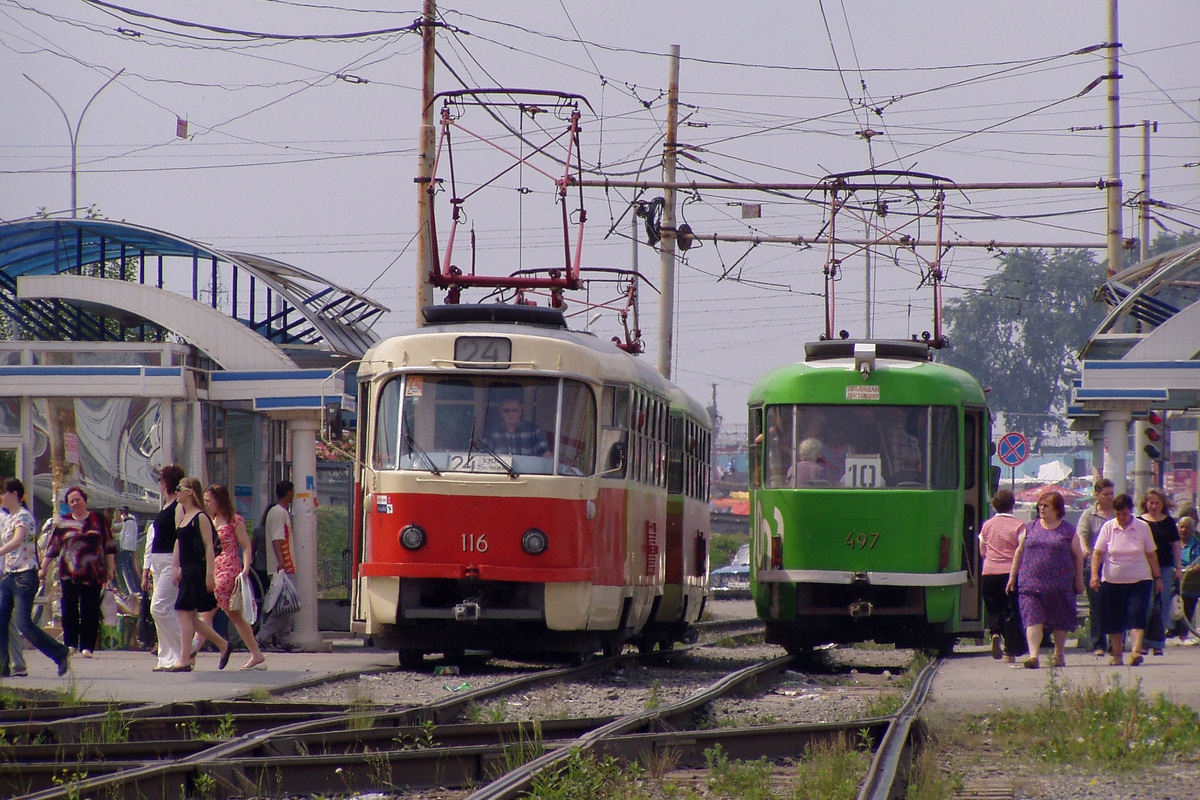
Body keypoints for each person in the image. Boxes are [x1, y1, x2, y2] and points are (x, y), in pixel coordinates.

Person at [1006, 489, 1084, 669]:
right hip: (1030, 583)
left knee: (1060, 619)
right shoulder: (1030, 527)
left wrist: (1078, 580)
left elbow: (1078, 555)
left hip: (1060, 584)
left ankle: (1059, 653)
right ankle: (1033, 656)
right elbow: (1019, 552)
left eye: (1046, 506)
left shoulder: (1067, 530)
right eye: (1040, 505)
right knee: (1032, 618)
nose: (1041, 509)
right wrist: (1012, 577)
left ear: (1057, 509)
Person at [0, 479, 70, 678]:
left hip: (25, 576)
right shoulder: (8, 518)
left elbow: (17, 540)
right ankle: (3, 666)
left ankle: (60, 652)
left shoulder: (23, 516)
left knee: (23, 623)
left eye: (4, 493)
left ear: (14, 494)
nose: (1, 497)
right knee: (1, 620)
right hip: (9, 575)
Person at [41, 486, 116, 657]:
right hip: (69, 572)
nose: (75, 503)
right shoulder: (63, 522)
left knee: (90, 609)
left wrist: (111, 568)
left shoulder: (99, 520)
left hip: (94, 572)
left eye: (78, 499)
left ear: (85, 500)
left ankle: (88, 646)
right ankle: (70, 643)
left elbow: (109, 546)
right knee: (69, 608)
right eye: (71, 501)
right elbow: (53, 547)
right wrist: (44, 567)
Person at [168, 477, 231, 672]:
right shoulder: (183, 515)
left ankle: (184, 658)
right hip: (186, 569)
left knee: (184, 613)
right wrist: (175, 566)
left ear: (190, 492)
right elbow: (179, 542)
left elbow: (209, 547)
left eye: (179, 488)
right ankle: (223, 644)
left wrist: (210, 574)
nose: (176, 491)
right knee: (191, 617)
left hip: (197, 570)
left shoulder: (200, 517)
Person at [201, 484, 266, 670]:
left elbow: (246, 546)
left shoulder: (234, 520)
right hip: (214, 566)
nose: (206, 504)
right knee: (233, 615)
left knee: (209, 610)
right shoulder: (210, 520)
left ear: (218, 501)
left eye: (209, 501)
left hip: (228, 566)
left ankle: (192, 653)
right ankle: (255, 653)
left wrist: (245, 568)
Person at [1091, 493, 1159, 666]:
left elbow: (1151, 554)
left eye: (1125, 514)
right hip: (1112, 581)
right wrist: (1094, 575)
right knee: (1114, 618)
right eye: (1118, 514)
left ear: (1131, 511)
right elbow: (1098, 553)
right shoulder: (1108, 527)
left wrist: (1158, 577)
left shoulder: (1142, 527)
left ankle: (1135, 651)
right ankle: (1117, 655)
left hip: (1140, 579)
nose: (1122, 518)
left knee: (1137, 614)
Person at [142, 464, 185, 672]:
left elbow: (180, 537)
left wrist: (178, 565)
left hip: (170, 560)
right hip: (159, 561)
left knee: (159, 607)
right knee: (165, 609)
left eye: (160, 480)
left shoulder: (178, 505)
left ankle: (187, 646)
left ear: (166, 483)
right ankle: (167, 657)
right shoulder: (167, 504)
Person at [979, 489, 1026, 663]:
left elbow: (982, 551)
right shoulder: (1019, 526)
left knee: (993, 608)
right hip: (1010, 573)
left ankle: (995, 633)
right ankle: (1009, 652)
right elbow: (1021, 550)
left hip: (989, 572)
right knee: (1010, 611)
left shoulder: (987, 525)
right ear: (1013, 505)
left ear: (994, 505)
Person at [1075, 478, 1115, 656]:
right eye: (1105, 494)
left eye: (1111, 494)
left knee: (1115, 604)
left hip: (1116, 564)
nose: (1109, 497)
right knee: (1097, 605)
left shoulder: (1118, 512)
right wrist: (1085, 550)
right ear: (1097, 495)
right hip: (1095, 564)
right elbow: (1082, 535)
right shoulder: (1088, 515)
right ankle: (1098, 643)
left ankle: (1116, 642)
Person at [1139, 488, 1181, 656]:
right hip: (1143, 567)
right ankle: (1143, 640)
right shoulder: (1140, 522)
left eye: (1157, 503)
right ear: (1145, 504)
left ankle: (1158, 641)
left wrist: (1178, 567)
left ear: (1162, 504)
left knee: (1162, 604)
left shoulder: (1168, 522)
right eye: (1151, 502)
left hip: (1165, 567)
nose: (1153, 506)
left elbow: (1176, 545)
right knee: (1146, 604)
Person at [256, 480, 297, 651]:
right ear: (288, 492)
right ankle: (263, 636)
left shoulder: (276, 512)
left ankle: (283, 638)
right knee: (284, 607)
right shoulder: (279, 513)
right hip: (282, 567)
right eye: (292, 491)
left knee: (286, 606)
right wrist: (282, 561)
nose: (293, 494)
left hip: (281, 566)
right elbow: (277, 538)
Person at [483, 396, 552, 458]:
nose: (510, 414)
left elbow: (546, 453)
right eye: (506, 410)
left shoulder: (532, 429)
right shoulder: (492, 431)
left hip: (527, 471)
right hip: (499, 471)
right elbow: (483, 455)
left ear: (520, 412)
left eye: (514, 410)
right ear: (501, 412)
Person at [1178, 515, 1200, 644]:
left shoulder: (1197, 544)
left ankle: (1183, 633)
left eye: (1186, 527)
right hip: (1176, 577)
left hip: (1191, 580)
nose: (1183, 530)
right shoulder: (1174, 543)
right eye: (1181, 527)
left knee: (1189, 601)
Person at [112, 507, 141, 595]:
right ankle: (135, 589)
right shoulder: (133, 520)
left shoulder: (124, 521)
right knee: (130, 568)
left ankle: (130, 590)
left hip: (123, 546)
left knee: (125, 568)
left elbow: (122, 534)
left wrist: (121, 544)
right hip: (130, 546)